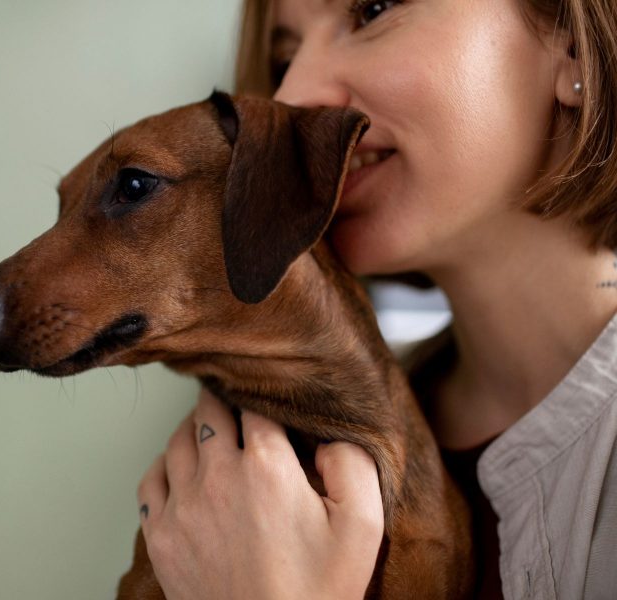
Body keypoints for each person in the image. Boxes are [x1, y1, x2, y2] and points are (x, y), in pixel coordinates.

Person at [136, 0, 617, 597]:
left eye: (374, 10)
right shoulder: (261, 473)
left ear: (572, 43)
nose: (295, 92)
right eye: (283, 59)